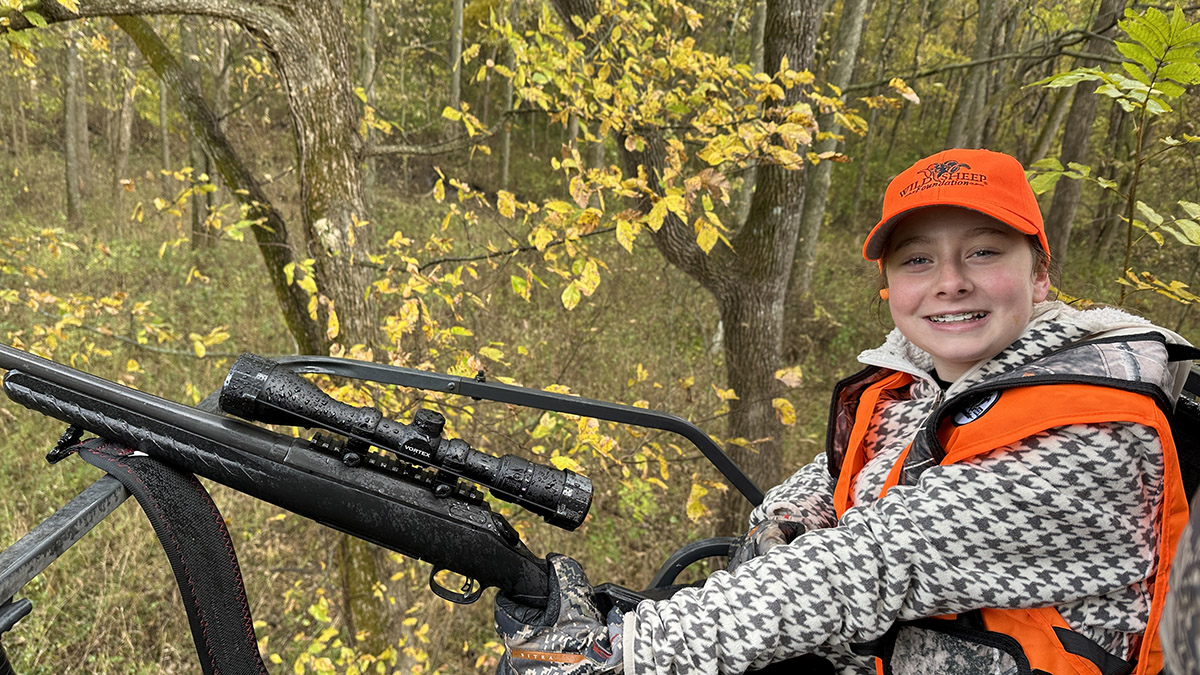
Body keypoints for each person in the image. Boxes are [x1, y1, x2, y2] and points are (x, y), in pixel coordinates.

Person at [492, 148, 1194, 674]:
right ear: (887, 287)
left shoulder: (1096, 429)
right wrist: (780, 526)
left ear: (1040, 273)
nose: (950, 282)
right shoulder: (925, 379)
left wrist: (628, 647)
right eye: (918, 260)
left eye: (983, 252)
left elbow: (872, 562)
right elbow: (835, 480)